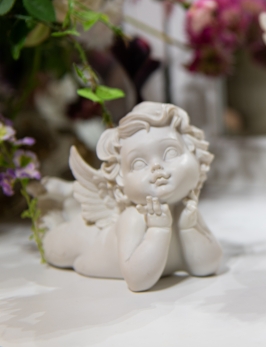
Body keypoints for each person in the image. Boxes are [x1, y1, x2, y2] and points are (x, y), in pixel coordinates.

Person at [43, 102, 223, 292]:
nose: (157, 168)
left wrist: (189, 228)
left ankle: (67, 197)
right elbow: (137, 280)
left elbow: (208, 265)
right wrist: (158, 230)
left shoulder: (185, 210)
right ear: (120, 179)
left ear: (194, 153)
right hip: (89, 242)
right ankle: (54, 208)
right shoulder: (135, 217)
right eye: (138, 163)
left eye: (170, 152)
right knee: (54, 249)